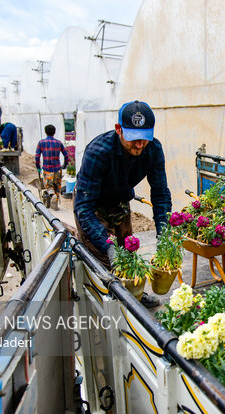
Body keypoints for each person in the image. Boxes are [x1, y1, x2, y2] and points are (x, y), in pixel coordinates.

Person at [74, 100, 172, 308]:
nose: (139, 145)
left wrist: (164, 232)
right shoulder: (98, 152)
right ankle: (106, 306)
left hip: (120, 201)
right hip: (94, 206)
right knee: (104, 259)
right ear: (118, 129)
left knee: (128, 253)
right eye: (134, 139)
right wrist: (106, 244)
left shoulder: (153, 149)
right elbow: (83, 206)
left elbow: (160, 193)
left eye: (144, 138)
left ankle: (133, 295)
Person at [35, 124, 68, 210]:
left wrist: (38, 167)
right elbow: (66, 155)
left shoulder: (41, 143)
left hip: (47, 169)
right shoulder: (59, 143)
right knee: (57, 187)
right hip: (57, 169)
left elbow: (37, 157)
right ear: (54, 132)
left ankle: (52, 195)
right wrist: (65, 165)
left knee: (49, 186)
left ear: (45, 132)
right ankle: (55, 204)